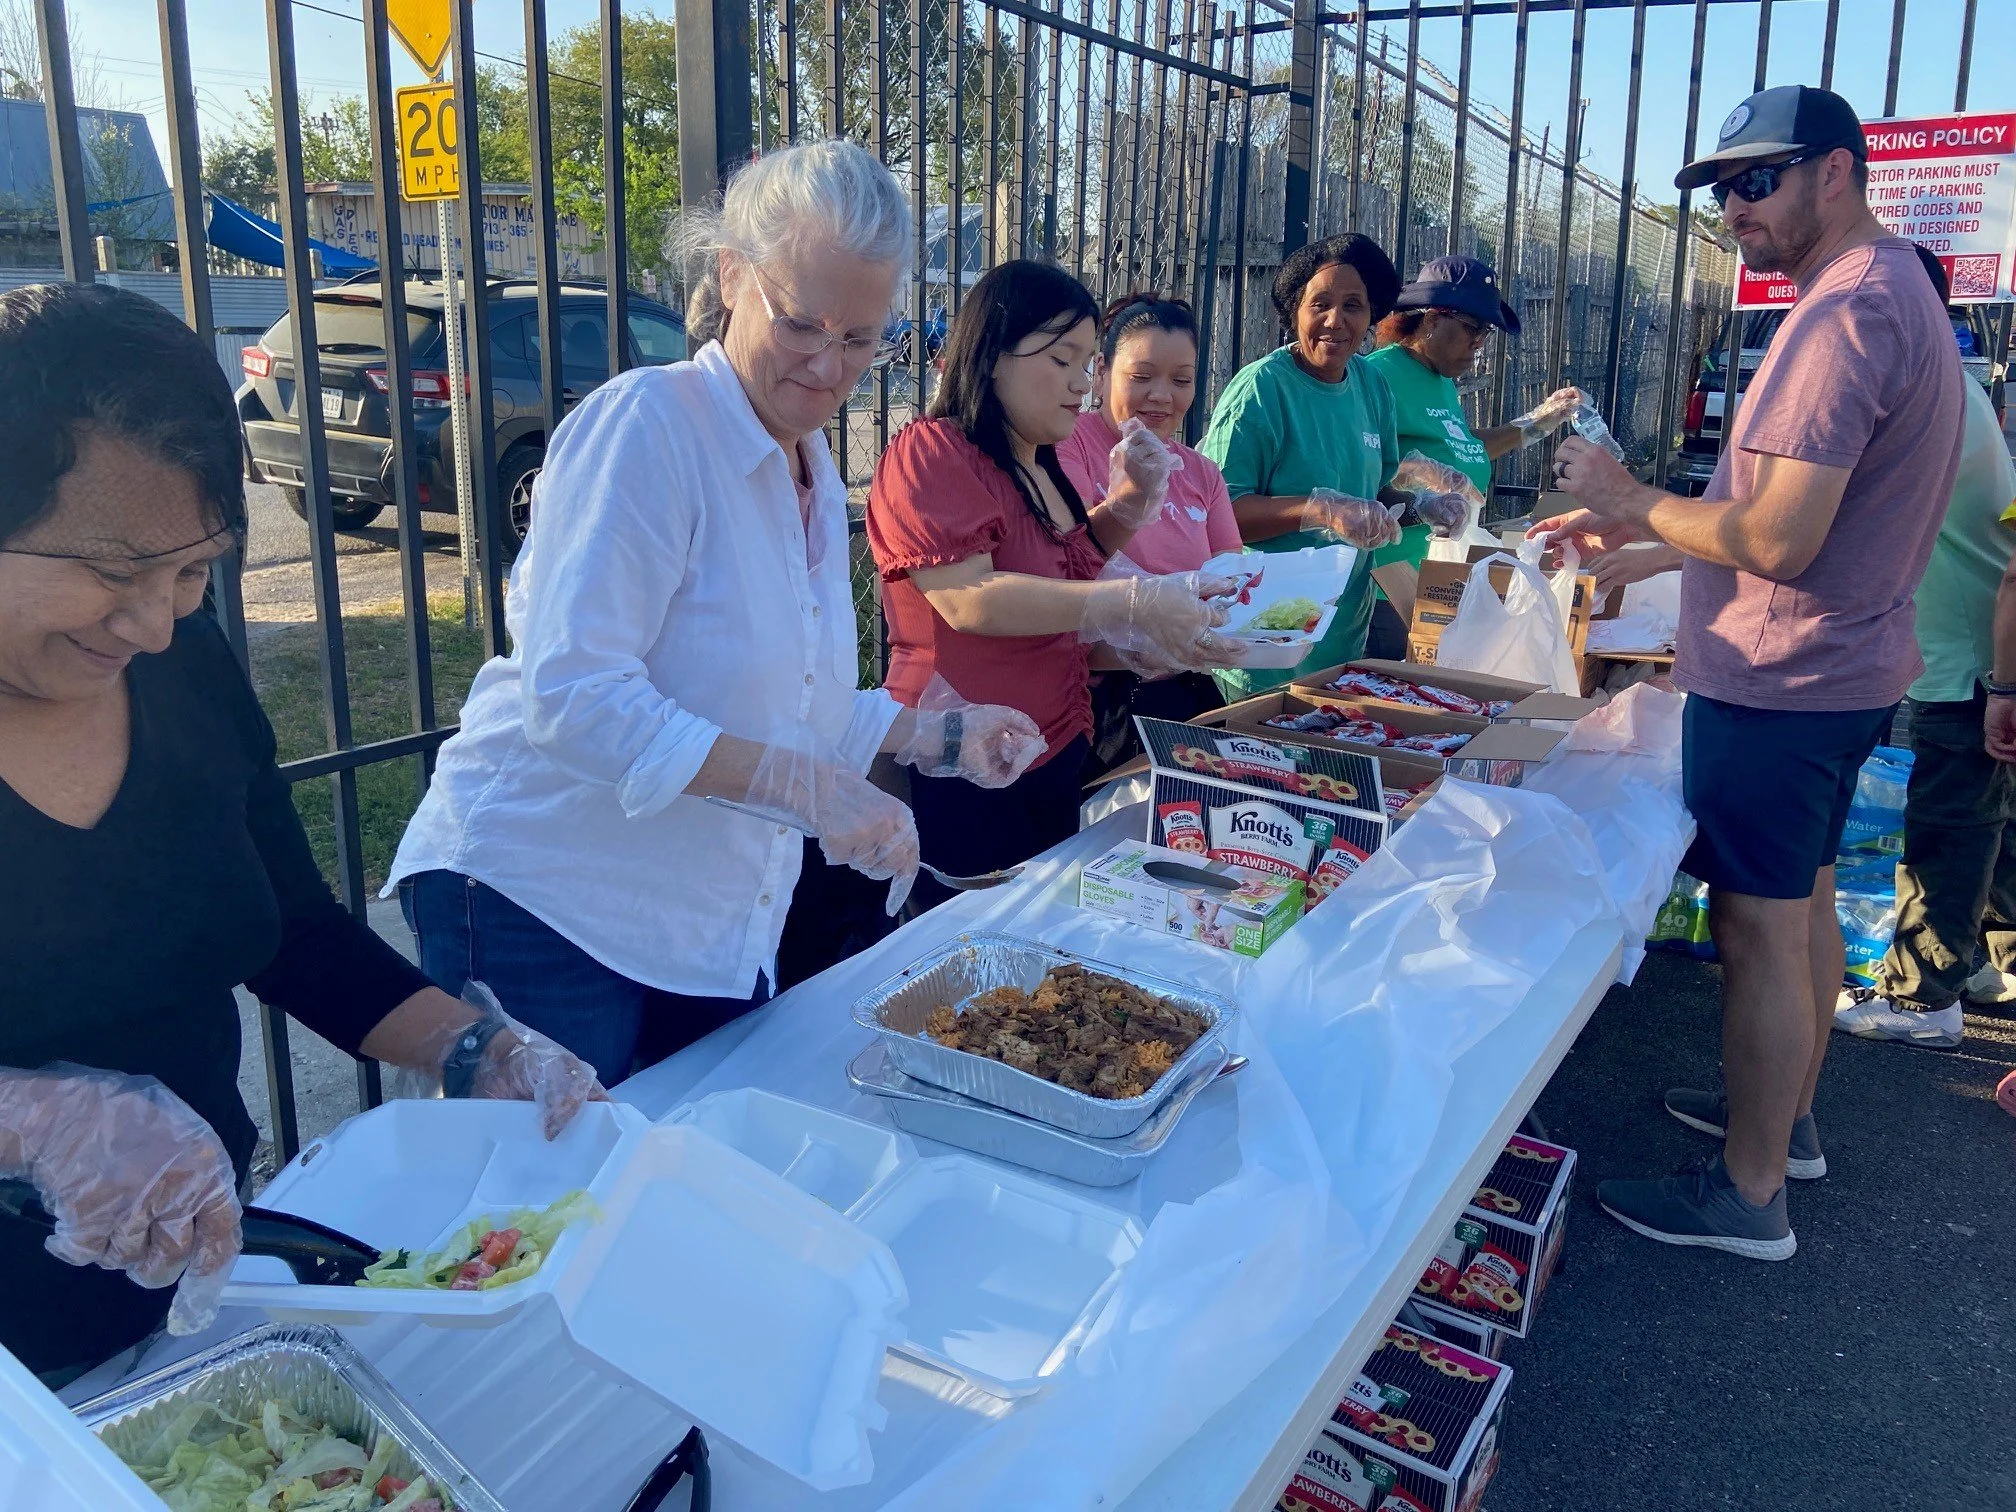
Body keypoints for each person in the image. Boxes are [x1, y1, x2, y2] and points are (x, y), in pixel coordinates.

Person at [0, 282, 604, 1385]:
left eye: (189, 570)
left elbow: (287, 929)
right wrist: (30, 1118)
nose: (149, 622)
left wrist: (474, 1048)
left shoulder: (181, 664)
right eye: (111, 571)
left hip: (187, 1308)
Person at [386, 141, 1044, 1087]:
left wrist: (939, 737)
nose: (828, 367)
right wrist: (810, 792)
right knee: (547, 1212)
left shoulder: (808, 465)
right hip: (545, 898)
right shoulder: (651, 427)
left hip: (685, 919)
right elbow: (575, 696)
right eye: (803, 323)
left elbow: (791, 705)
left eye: (861, 339)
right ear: (733, 276)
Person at [1532, 86, 1966, 1259]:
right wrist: (1634, 538)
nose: (1733, 209)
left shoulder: (1845, 314)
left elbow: (1778, 540)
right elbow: (1777, 512)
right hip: (1840, 666)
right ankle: (1788, 1122)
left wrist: (1624, 496)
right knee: (1806, 899)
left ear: (1838, 170)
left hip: (1786, 679)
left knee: (1762, 928)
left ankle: (1750, 1188)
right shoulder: (1892, 292)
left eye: (1756, 181)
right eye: (1722, 188)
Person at [867, 259, 1230, 905]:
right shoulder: (935, 451)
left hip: (1050, 747)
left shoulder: (1036, 461)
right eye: (1063, 359)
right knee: (962, 941)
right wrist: (1137, 600)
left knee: (1039, 941)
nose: (1082, 386)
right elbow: (969, 598)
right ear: (994, 353)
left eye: (1089, 363)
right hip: (960, 759)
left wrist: (1130, 506)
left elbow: (1067, 570)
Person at [1197, 233, 1415, 696]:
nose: (1335, 321)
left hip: (1340, 636)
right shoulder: (1261, 391)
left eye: (1353, 305)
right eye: (1320, 304)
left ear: (1371, 316)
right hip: (1264, 640)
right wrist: (1316, 510)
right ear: (1294, 312)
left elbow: (1376, 488)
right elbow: (1217, 515)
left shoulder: (1371, 384)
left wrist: (1427, 503)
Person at [1364, 257, 1584, 656]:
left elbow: (1462, 448)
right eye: (1473, 327)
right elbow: (1357, 469)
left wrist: (1540, 421)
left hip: (1439, 579)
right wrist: (1418, 500)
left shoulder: (1440, 380)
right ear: (1432, 319)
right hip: (1387, 586)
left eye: (1486, 331)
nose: (1480, 341)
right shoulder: (1377, 376)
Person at [1056, 293, 1243, 730]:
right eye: (1141, 376)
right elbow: (1073, 564)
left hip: (1185, 686)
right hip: (1098, 696)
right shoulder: (1068, 445)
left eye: (1181, 381)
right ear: (1100, 373)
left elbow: (1233, 581)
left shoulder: (1202, 473)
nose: (1160, 396)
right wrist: (1133, 496)